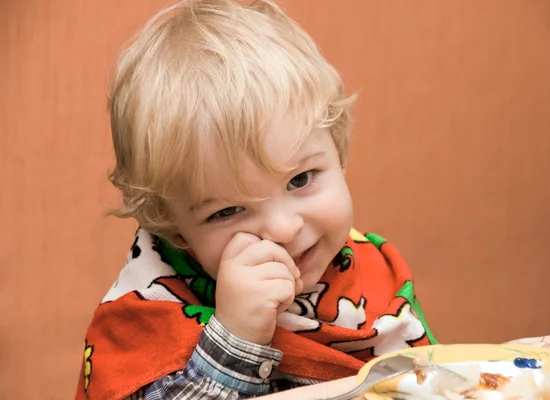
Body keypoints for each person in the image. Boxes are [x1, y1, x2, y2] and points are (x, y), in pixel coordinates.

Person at [75, 1, 437, 399]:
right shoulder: (147, 309)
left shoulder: (373, 270)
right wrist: (234, 339)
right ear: (173, 227)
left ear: (339, 150)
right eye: (227, 211)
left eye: (300, 179)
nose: (284, 229)